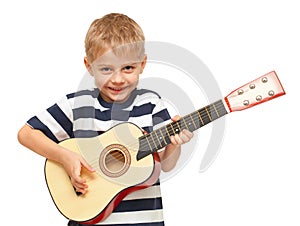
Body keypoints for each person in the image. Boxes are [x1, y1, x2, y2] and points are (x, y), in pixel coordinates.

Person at [17, 13, 194, 226]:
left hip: (144, 221)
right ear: (89, 66)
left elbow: (165, 165)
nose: (117, 79)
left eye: (128, 68)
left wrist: (174, 145)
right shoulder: (78, 105)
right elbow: (26, 133)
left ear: (142, 64)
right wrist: (65, 157)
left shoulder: (151, 104)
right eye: (106, 69)